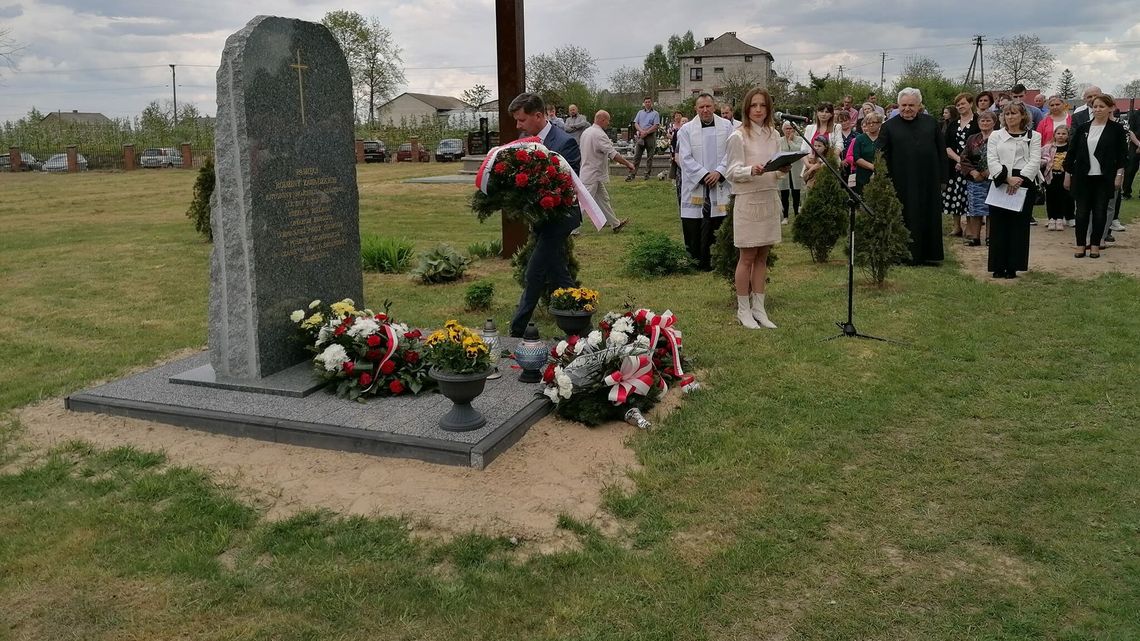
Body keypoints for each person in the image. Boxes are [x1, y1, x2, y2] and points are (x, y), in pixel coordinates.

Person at [506, 92, 582, 337]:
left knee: (534, 271)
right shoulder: (524, 141)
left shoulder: (564, 142)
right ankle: (583, 327)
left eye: (522, 120)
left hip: (559, 218)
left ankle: (516, 330)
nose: (518, 126)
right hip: (539, 219)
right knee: (559, 273)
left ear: (538, 116)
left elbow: (568, 184)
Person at [724, 87, 787, 329]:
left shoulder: (774, 134)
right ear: (747, 108)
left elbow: (776, 167)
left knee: (763, 256)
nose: (758, 110)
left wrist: (781, 169)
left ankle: (759, 308)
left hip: (769, 196)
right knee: (747, 256)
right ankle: (743, 309)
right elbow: (731, 171)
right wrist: (751, 170)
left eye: (763, 105)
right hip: (749, 200)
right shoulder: (738, 136)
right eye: (754, 105)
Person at [877, 87, 948, 264]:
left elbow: (942, 151)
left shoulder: (931, 123)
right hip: (900, 181)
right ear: (898, 105)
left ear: (919, 106)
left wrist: (943, 178)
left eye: (911, 105)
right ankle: (902, 254)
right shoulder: (888, 127)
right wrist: (882, 178)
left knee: (928, 216)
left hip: (928, 180)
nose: (907, 109)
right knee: (904, 216)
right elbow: (880, 155)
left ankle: (929, 255)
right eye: (903, 105)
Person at [1063, 93, 1128, 258]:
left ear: (1110, 108)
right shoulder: (1083, 128)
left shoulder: (1117, 129)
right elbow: (1071, 153)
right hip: (1083, 177)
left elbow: (1122, 155)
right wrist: (1068, 174)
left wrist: (1119, 174)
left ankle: (1095, 244)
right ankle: (1080, 244)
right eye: (1095, 106)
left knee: (1100, 212)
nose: (1098, 109)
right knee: (1081, 212)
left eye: (1101, 106)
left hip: (1104, 177)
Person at [677, 93, 734, 270]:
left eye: (708, 106)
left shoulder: (727, 127)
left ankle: (720, 259)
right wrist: (703, 175)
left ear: (714, 107)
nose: (705, 110)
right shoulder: (686, 130)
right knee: (695, 220)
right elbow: (685, 158)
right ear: (696, 109)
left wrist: (719, 172)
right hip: (696, 183)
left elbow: (732, 153)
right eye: (701, 107)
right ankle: (696, 261)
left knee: (719, 220)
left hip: (720, 182)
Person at [986, 102, 1041, 278]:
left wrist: (1020, 179)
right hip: (1000, 180)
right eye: (1007, 114)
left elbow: (1035, 160)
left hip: (1024, 181)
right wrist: (1006, 178)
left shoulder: (1034, 136)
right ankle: (997, 265)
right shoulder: (996, 135)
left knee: (1019, 226)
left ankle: (1013, 266)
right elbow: (992, 159)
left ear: (1023, 115)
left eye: (1014, 113)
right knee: (999, 225)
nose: (1010, 117)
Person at [579, 110, 635, 233]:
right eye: (607, 121)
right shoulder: (599, 134)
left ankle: (615, 224)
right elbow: (612, 154)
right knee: (584, 202)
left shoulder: (586, 132)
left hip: (589, 172)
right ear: (602, 120)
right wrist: (628, 164)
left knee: (603, 199)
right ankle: (571, 229)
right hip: (593, 174)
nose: (608, 123)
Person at [944, 92, 979, 238]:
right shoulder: (953, 124)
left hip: (973, 166)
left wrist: (966, 163)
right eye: (958, 105)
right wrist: (959, 160)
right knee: (954, 195)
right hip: (954, 166)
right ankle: (956, 227)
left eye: (963, 103)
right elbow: (946, 146)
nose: (960, 106)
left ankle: (970, 227)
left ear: (970, 104)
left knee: (970, 196)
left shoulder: (978, 121)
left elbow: (981, 143)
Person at [959, 109, 997, 245]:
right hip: (975, 179)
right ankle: (975, 238)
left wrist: (989, 171)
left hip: (994, 178)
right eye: (982, 120)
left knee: (992, 209)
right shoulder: (972, 138)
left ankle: (990, 238)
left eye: (988, 120)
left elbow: (1003, 157)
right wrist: (973, 172)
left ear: (994, 122)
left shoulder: (999, 138)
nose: (985, 123)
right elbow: (964, 158)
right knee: (975, 208)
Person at [1040, 124, 1073, 231]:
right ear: (1054, 135)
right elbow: (1039, 158)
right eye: (1058, 133)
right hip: (1050, 176)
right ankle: (1051, 218)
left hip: (1064, 177)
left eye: (1064, 134)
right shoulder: (1048, 147)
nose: (1061, 136)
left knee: (1063, 198)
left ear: (1068, 135)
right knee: (1050, 198)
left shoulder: (1070, 148)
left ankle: (1060, 218)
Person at [627, 97, 661, 181]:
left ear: (651, 103)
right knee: (637, 156)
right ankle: (632, 174)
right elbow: (636, 123)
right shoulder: (640, 112)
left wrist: (646, 132)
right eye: (646, 102)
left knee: (650, 156)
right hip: (641, 136)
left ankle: (647, 174)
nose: (647, 103)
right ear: (644, 103)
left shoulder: (655, 113)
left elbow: (656, 125)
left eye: (649, 102)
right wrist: (641, 131)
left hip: (650, 136)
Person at [777, 121, 804, 223]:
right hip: (784, 170)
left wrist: (790, 141)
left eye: (790, 128)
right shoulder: (779, 141)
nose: (788, 131)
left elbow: (798, 150)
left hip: (796, 169)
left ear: (794, 129)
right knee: (784, 193)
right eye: (786, 129)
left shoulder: (800, 140)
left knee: (796, 192)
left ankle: (797, 214)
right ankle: (785, 216)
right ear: (783, 130)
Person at [850, 111, 883, 193]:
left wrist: (879, 169)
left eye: (874, 122)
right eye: (868, 123)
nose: (871, 125)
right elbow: (856, 157)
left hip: (881, 174)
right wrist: (872, 167)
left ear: (880, 123)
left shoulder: (884, 138)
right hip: (862, 176)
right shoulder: (860, 138)